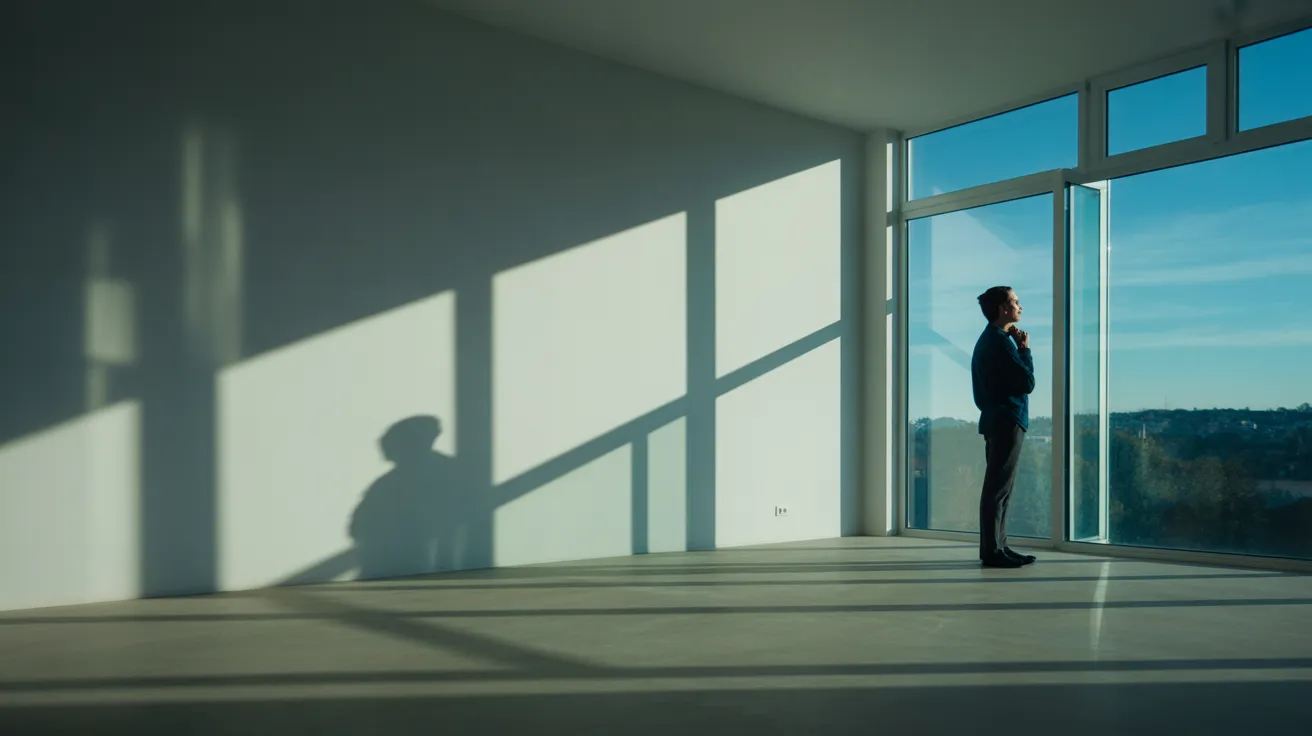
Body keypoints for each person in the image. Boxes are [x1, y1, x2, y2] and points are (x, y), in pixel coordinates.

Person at [972, 286, 1038, 568]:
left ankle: (999, 546)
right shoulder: (999, 342)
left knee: (1002, 489)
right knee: (998, 489)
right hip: (1006, 420)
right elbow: (1027, 383)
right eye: (1015, 301)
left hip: (1000, 419)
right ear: (1003, 308)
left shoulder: (993, 339)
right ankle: (992, 551)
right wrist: (1024, 350)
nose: (1020, 306)